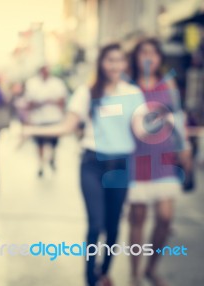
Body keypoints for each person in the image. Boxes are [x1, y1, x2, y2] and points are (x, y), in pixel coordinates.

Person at [23, 43, 151, 286]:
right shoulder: (87, 92)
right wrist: (31, 129)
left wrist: (157, 125)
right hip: (92, 163)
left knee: (113, 227)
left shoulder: (133, 93)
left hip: (120, 165)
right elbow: (66, 126)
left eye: (119, 60)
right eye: (109, 60)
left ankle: (104, 272)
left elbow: (141, 127)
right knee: (96, 225)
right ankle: (89, 278)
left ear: (125, 64)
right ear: (101, 63)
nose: (114, 65)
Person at [128, 38, 188, 286]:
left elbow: (177, 116)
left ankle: (151, 267)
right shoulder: (128, 85)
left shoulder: (167, 83)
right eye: (143, 52)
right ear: (136, 57)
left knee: (164, 217)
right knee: (138, 218)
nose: (148, 57)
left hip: (163, 156)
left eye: (153, 52)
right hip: (135, 155)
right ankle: (134, 274)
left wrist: (184, 147)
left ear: (160, 58)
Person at [24, 65, 67, 177]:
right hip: (38, 119)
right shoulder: (32, 83)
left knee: (53, 143)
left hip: (54, 118)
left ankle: (52, 159)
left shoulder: (57, 83)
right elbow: (29, 102)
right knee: (39, 144)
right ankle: (41, 164)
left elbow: (62, 100)